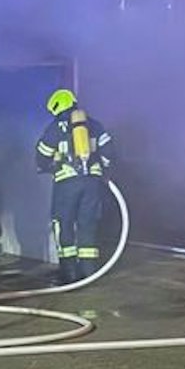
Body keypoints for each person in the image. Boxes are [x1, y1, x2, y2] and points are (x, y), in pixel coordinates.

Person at [35, 89, 115, 285]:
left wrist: (49, 166)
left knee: (63, 225)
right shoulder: (94, 125)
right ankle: (89, 273)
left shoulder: (55, 128)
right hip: (92, 184)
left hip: (67, 184)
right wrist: (103, 170)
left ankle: (69, 274)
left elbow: (41, 157)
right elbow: (109, 152)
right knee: (87, 226)